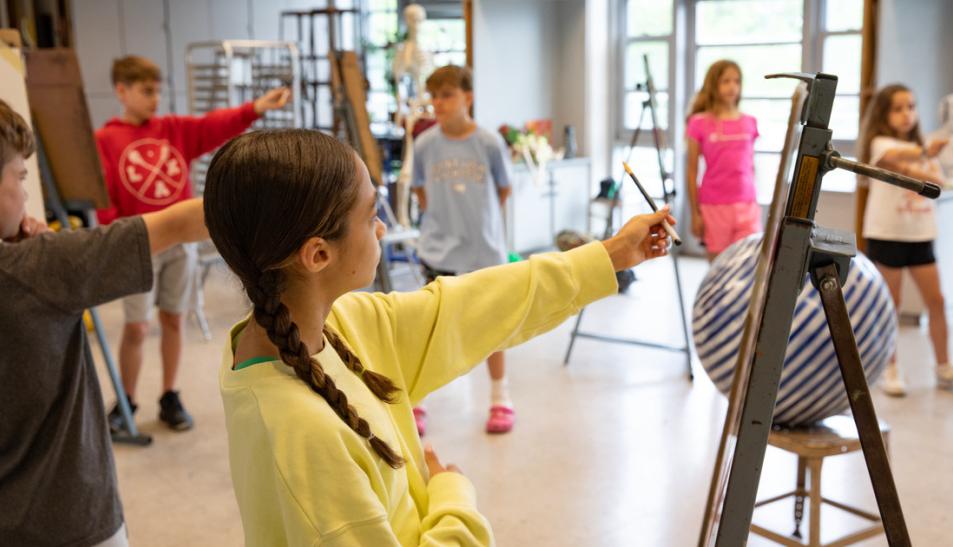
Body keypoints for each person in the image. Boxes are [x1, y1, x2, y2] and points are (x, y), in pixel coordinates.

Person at [204, 129, 673, 546]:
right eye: (370, 216)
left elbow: (472, 305)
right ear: (319, 254)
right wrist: (452, 495)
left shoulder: (330, 326)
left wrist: (611, 254)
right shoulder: (303, 436)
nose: (382, 228)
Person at [0, 98, 209, 546]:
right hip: (73, 524)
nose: (25, 191)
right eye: (19, 177)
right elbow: (181, 222)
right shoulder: (40, 266)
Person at [94, 55, 290, 431]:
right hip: (137, 245)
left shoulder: (171, 129)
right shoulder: (106, 138)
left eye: (158, 91)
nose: (154, 99)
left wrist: (254, 109)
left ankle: (170, 395)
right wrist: (112, 234)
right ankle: (127, 400)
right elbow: (103, 195)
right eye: (146, 91)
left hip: (179, 244)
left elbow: (211, 126)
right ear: (122, 91)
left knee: (173, 319)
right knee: (136, 327)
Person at [410, 64, 516, 434]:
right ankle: (417, 398)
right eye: (434, 95)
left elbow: (504, 189)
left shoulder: (488, 143)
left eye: (447, 94)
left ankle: (501, 398)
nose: (438, 102)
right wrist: (443, 220)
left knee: (492, 324)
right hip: (439, 249)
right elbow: (420, 189)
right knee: (430, 324)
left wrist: (476, 222)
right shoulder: (424, 144)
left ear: (467, 97)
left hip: (483, 250)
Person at [859, 83, 953, 396]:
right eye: (898, 108)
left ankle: (944, 368)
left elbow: (938, 181)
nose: (906, 114)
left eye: (911, 107)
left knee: (937, 301)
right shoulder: (880, 143)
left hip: (920, 234)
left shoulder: (922, 147)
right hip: (888, 233)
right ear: (884, 114)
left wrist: (923, 157)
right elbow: (890, 159)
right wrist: (923, 155)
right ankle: (889, 368)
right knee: (892, 304)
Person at [685, 59, 761, 261]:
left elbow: (751, 166)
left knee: (748, 267)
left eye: (736, 81)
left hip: (747, 204)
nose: (732, 87)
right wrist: (695, 213)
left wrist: (756, 199)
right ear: (713, 84)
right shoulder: (698, 123)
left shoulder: (750, 122)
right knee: (719, 272)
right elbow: (692, 171)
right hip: (714, 206)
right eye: (725, 81)